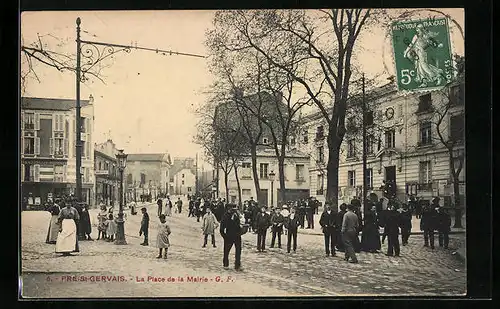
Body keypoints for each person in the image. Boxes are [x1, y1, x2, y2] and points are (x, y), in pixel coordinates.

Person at [220, 204, 243, 271]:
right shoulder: (225, 216)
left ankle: (237, 265)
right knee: (226, 251)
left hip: (237, 236)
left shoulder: (236, 215)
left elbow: (239, 223)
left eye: (234, 208)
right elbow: (222, 228)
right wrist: (225, 237)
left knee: (238, 251)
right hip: (229, 236)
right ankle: (225, 264)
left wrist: (240, 229)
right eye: (232, 208)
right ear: (228, 209)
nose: (234, 210)